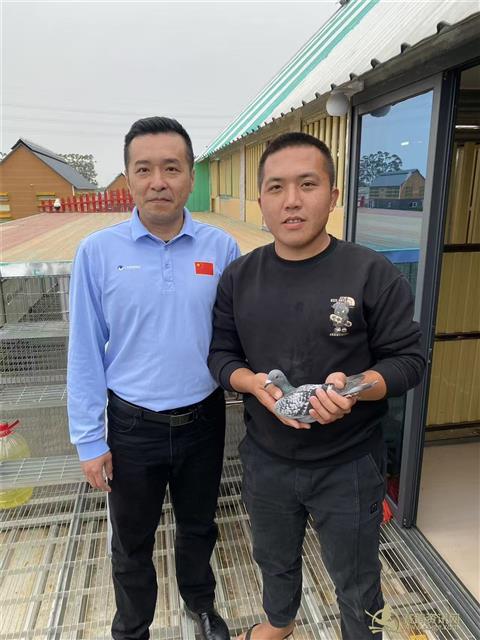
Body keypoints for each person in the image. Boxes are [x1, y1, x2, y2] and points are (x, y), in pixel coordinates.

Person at [208, 132, 425, 640]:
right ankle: (279, 623)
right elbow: (221, 355)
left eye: (307, 184)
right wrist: (252, 385)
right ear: (261, 199)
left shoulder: (371, 273)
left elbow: (409, 361)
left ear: (334, 195)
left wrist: (355, 388)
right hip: (267, 458)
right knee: (273, 557)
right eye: (276, 187)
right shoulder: (240, 277)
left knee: (357, 577)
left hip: (349, 464)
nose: (291, 200)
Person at [67, 116, 240, 640]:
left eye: (171, 168)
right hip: (131, 425)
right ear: (128, 177)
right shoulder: (98, 252)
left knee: (199, 527)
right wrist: (89, 440)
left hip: (203, 419)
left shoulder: (221, 249)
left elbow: (238, 336)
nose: (158, 181)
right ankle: (132, 627)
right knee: (131, 539)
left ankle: (201, 606)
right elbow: (84, 351)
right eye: (144, 169)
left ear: (191, 176)